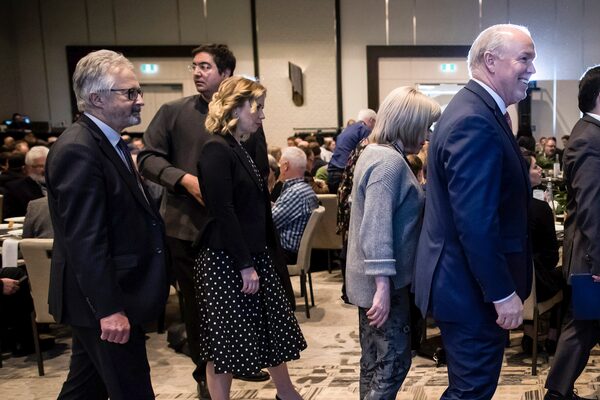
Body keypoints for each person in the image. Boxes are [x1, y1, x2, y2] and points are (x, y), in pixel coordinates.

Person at [137, 44, 271, 395]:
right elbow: (147, 158)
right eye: (194, 66)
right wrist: (183, 180)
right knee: (200, 312)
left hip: (236, 233)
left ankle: (239, 361)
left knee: (244, 305)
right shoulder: (173, 112)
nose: (197, 72)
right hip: (188, 228)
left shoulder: (248, 114)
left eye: (205, 66)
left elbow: (259, 170)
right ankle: (205, 377)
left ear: (226, 73)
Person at [413, 24, 535, 399]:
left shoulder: (480, 111)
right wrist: (501, 292)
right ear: (490, 61)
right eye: (525, 59)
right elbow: (476, 222)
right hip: (470, 290)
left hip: (465, 285)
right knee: (471, 391)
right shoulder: (474, 119)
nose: (532, 69)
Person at [45, 49, 169, 399]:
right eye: (129, 92)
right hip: (105, 301)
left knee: (84, 390)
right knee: (133, 391)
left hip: (109, 297)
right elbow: (85, 240)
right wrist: (109, 309)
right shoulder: (79, 149)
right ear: (97, 98)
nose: (139, 100)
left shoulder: (108, 142)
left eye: (138, 91)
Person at [195, 76, 306, 400]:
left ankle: (287, 393)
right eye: (257, 107)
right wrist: (245, 265)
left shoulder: (239, 146)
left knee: (270, 331)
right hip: (225, 260)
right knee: (224, 345)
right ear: (235, 108)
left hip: (250, 254)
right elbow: (224, 212)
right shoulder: (216, 149)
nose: (262, 115)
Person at [346, 86, 440, 400]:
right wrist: (383, 287)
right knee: (392, 363)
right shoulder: (389, 163)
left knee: (374, 362)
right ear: (409, 123)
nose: (426, 135)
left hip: (378, 281)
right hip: (385, 283)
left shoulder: (376, 153)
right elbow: (376, 228)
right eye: (424, 126)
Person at [543, 65, 600, 400]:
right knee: (581, 325)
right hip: (591, 256)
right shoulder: (589, 138)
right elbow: (592, 206)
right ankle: (556, 392)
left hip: (589, 252)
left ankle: (558, 391)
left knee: (584, 325)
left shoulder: (588, 133)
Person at [520, 148, 563, 355]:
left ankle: (529, 335)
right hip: (535, 282)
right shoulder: (540, 208)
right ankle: (553, 335)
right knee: (566, 276)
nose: (539, 170)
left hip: (510, 283)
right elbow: (551, 256)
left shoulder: (502, 204)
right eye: (535, 167)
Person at [272, 146, 318, 264]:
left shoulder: (295, 193)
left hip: (284, 253)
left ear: (286, 166)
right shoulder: (305, 189)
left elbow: (268, 223)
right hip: (290, 251)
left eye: (280, 164)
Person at [327, 109, 376, 194]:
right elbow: (370, 154)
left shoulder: (347, 130)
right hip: (344, 174)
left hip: (332, 172)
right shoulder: (365, 130)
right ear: (371, 120)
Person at [3, 145, 48, 219]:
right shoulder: (15, 189)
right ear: (28, 167)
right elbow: (9, 219)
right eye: (40, 166)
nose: (45, 170)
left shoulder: (59, 186)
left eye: (48, 165)